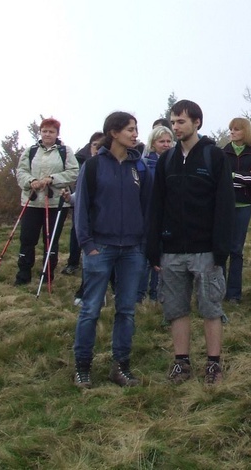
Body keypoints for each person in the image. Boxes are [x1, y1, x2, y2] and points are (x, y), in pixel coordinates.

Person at [147, 100, 235, 385]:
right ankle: (181, 363)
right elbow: (156, 205)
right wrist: (154, 247)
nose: (175, 127)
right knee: (176, 309)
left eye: (181, 121)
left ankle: (213, 364)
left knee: (210, 308)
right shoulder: (166, 160)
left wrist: (221, 248)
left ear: (197, 122)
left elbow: (225, 205)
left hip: (206, 250)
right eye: (173, 122)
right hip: (172, 251)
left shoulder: (214, 157)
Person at [72, 112, 152, 389]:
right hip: (100, 248)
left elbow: (147, 207)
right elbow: (81, 207)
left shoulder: (139, 168)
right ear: (114, 132)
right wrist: (88, 246)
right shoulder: (93, 167)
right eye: (130, 129)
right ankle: (82, 367)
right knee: (90, 310)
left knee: (126, 311)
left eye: (136, 129)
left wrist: (143, 246)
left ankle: (121, 366)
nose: (135, 134)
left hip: (132, 250)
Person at [14, 118, 79, 286]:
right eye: (44, 131)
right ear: (40, 132)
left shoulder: (65, 151)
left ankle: (47, 275)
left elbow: (74, 172)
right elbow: (21, 171)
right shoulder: (31, 151)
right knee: (27, 239)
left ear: (57, 134)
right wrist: (31, 181)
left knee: (51, 241)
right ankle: (23, 274)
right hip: (32, 202)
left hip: (56, 203)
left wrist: (53, 179)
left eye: (51, 131)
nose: (47, 134)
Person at [223, 117, 251, 303]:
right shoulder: (222, 153)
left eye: (236, 129)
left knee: (236, 250)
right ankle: (219, 291)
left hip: (244, 206)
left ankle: (234, 294)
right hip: (223, 206)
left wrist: (233, 176)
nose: (232, 132)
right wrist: (244, 177)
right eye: (231, 129)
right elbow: (219, 178)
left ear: (245, 132)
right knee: (222, 249)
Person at [136, 125, 174, 303]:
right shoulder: (145, 164)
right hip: (147, 214)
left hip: (168, 215)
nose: (166, 145)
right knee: (145, 255)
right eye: (162, 141)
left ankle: (157, 293)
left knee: (162, 256)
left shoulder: (174, 162)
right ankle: (139, 294)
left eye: (168, 141)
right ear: (153, 143)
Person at [62, 131, 104, 276]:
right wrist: (70, 198)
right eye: (94, 145)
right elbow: (81, 193)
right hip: (86, 214)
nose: (97, 148)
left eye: (101, 145)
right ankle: (74, 264)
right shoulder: (86, 165)